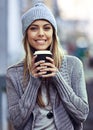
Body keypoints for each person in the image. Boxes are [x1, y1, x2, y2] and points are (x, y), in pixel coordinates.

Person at [6, 1, 89, 130]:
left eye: (46, 28)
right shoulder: (13, 73)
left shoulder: (74, 65)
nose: (41, 33)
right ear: (26, 34)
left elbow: (82, 114)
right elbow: (16, 122)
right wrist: (33, 83)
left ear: (53, 33)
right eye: (33, 28)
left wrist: (58, 78)